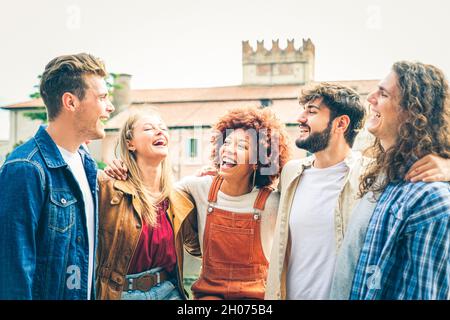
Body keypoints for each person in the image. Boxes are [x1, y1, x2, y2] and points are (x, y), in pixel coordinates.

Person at [265, 82, 450, 300]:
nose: (300, 118)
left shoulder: (374, 175)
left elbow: (421, 175)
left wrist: (446, 164)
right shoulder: (290, 173)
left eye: (312, 111)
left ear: (341, 123)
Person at [105, 107, 291, 299]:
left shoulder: (271, 202)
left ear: (258, 161)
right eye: (226, 142)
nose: (228, 149)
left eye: (242, 146)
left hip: (255, 297)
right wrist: (122, 166)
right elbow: (152, 192)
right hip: (209, 294)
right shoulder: (197, 188)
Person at [0, 53, 114, 299]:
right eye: (102, 97)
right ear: (70, 102)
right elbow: (13, 273)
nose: (110, 107)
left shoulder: (87, 164)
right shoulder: (25, 168)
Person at [345, 61, 450, 300]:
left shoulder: (431, 200)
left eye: (383, 94)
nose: (370, 98)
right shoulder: (385, 178)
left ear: (412, 111)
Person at [96, 111, 200, 300]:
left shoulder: (178, 199)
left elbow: (199, 248)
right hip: (121, 294)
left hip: (170, 292)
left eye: (162, 128)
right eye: (149, 128)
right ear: (130, 143)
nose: (159, 132)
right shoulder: (109, 189)